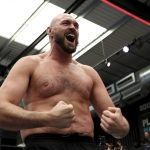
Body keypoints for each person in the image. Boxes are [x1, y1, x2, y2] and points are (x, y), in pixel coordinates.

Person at [0, 13, 130, 150]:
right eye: (66, 23)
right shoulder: (29, 64)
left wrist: (122, 127)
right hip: (42, 144)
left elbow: (117, 125)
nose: (73, 27)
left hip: (85, 145)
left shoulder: (89, 73)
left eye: (76, 25)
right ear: (50, 31)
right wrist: (47, 118)